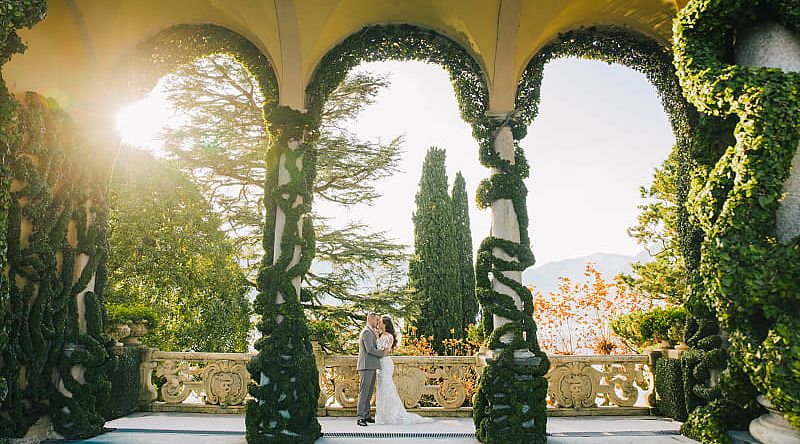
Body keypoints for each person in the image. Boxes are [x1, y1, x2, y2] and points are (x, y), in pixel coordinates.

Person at [374, 315, 432, 425]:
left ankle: (393, 414)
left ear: (385, 324)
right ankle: (383, 415)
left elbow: (386, 352)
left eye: (380, 322)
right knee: (382, 388)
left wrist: (377, 345)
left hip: (385, 363)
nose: (379, 323)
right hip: (380, 364)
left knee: (387, 388)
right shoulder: (380, 335)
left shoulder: (389, 336)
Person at [356, 313, 388, 426]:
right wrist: (382, 353)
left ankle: (366, 415)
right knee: (364, 392)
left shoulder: (371, 332)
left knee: (369, 393)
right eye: (376, 320)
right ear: (371, 320)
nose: (377, 322)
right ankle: (360, 417)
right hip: (365, 366)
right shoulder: (366, 332)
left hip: (371, 365)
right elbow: (369, 349)